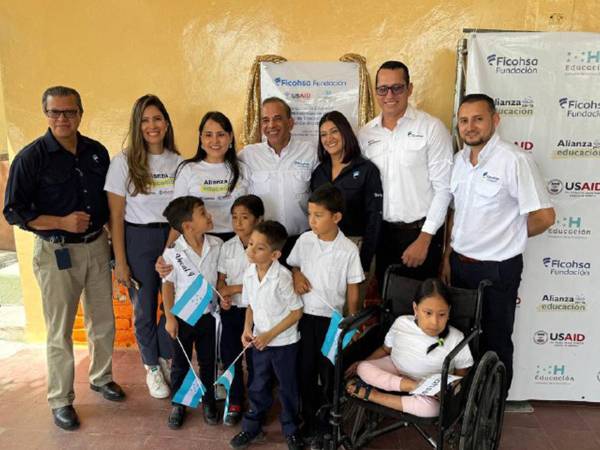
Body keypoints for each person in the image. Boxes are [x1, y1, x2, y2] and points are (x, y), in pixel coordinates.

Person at [3, 86, 125, 430]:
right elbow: (14, 211)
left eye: (69, 112)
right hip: (56, 250)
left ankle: (101, 377)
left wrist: (114, 247)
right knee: (59, 330)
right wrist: (61, 221)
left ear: (80, 114)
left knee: (103, 322)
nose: (62, 118)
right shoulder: (31, 157)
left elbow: (110, 203)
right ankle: (60, 399)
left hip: (97, 246)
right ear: (46, 114)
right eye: (55, 112)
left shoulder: (97, 153)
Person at [441, 93, 555, 391]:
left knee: (495, 342)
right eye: (463, 121)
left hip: (497, 270)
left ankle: (491, 413)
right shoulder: (459, 161)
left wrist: (509, 235)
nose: (470, 127)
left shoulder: (515, 160)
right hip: (459, 266)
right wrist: (446, 256)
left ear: (495, 119)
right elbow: (455, 212)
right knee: (462, 339)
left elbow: (544, 217)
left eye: (478, 119)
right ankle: (464, 406)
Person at [105, 94, 181, 399]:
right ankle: (151, 365)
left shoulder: (178, 162)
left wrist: (171, 246)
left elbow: (182, 209)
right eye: (145, 120)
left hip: (173, 239)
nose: (152, 125)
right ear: (137, 125)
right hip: (137, 239)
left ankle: (165, 355)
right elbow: (115, 216)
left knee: (173, 305)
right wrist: (121, 261)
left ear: (166, 123)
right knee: (145, 309)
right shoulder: (122, 163)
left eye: (157, 118)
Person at [358, 61, 453, 287]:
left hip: (420, 234)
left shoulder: (431, 127)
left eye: (397, 88)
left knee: (420, 310)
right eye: (383, 89)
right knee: (384, 309)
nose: (389, 95)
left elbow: (444, 190)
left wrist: (425, 238)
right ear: (376, 91)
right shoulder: (365, 134)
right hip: (381, 236)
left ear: (409, 89)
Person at [287, 184, 364, 448]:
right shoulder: (304, 240)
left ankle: (328, 423)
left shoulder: (349, 250)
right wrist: (296, 275)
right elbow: (293, 264)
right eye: (310, 214)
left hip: (333, 323)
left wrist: (352, 325)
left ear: (336, 217)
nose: (312, 221)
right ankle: (308, 421)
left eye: (318, 215)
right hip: (305, 318)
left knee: (328, 372)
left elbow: (354, 292)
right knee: (305, 370)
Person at [346, 278, 473, 417]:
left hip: (431, 389)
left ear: (449, 311)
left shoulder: (456, 337)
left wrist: (450, 392)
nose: (434, 322)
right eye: (428, 313)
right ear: (415, 309)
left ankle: (375, 396)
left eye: (442, 314)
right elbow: (385, 350)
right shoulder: (402, 323)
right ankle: (413, 386)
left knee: (432, 409)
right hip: (395, 368)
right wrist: (363, 363)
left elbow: (461, 373)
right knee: (363, 368)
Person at [229, 221, 304, 450]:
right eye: (250, 244)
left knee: (287, 386)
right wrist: (246, 329)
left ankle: (291, 429)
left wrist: (270, 335)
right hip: (260, 342)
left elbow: (296, 311)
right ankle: (252, 426)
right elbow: (250, 305)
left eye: (259, 248)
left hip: (284, 343)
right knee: (257, 384)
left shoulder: (281, 277)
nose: (250, 251)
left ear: (275, 254)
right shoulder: (250, 272)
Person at [161, 196, 222, 428]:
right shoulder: (173, 252)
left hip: (208, 315)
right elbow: (167, 285)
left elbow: (221, 278)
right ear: (188, 226)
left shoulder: (217, 245)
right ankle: (179, 403)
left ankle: (208, 400)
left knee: (208, 362)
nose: (209, 216)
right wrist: (169, 317)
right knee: (180, 362)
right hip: (183, 317)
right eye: (203, 213)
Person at [238, 97, 318, 262]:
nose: (271, 125)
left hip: (302, 242)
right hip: (263, 247)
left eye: (277, 118)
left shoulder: (310, 152)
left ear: (290, 123)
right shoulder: (248, 155)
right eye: (265, 120)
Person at [310, 111, 383, 274]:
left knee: (352, 300)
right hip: (322, 248)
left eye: (334, 131)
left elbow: (374, 217)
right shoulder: (319, 173)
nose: (329, 139)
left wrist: (365, 260)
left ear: (345, 132)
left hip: (355, 246)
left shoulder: (366, 170)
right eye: (323, 134)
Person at [217, 194, 265, 426]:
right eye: (234, 217)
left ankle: (257, 403)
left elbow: (265, 281)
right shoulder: (227, 247)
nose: (238, 222)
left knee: (256, 359)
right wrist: (222, 297)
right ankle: (235, 399)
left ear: (258, 219)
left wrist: (232, 288)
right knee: (230, 355)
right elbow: (221, 281)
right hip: (233, 311)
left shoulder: (265, 247)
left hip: (257, 313)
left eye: (244, 217)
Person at [174, 111, 247, 241]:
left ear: (230, 137)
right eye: (208, 135)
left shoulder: (243, 169)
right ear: (201, 138)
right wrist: (168, 252)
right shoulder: (188, 169)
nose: (215, 140)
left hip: (236, 242)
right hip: (198, 242)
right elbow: (178, 217)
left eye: (221, 134)